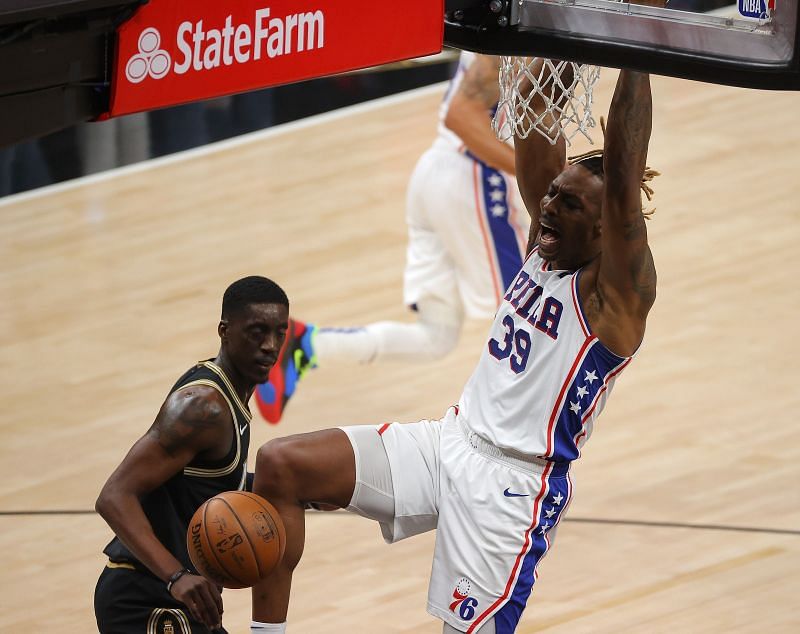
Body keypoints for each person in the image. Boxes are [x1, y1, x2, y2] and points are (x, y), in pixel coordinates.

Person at [248, 61, 657, 634]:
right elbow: (538, 111)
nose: (547, 206)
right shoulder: (547, 247)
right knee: (279, 466)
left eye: (569, 205)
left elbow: (623, 175)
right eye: (553, 195)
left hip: (511, 491)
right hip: (449, 441)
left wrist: (638, 51)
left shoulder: (614, 296)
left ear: (603, 230)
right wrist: (559, 28)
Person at [255, 52, 529, 423]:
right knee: (527, 308)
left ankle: (304, 345)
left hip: (435, 174)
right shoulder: (516, 27)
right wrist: (537, 173)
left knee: (436, 336)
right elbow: (461, 116)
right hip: (471, 178)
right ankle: (510, 427)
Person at [94, 276, 290, 634]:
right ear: (224, 331)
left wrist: (296, 489)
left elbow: (206, 483)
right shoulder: (203, 408)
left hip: (181, 600)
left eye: (280, 332)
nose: (270, 346)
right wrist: (176, 577)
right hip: (147, 598)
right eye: (257, 332)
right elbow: (114, 496)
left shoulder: (231, 398)